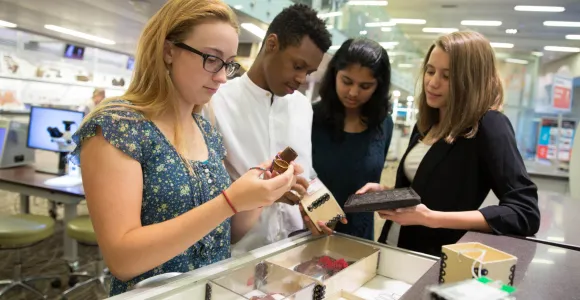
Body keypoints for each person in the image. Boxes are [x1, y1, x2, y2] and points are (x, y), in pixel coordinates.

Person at [70, 0, 299, 296]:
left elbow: (223, 236)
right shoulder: (118, 126)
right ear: (169, 51)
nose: (221, 77)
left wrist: (259, 193)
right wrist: (228, 202)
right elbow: (123, 259)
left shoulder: (205, 130)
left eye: (228, 63)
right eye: (211, 59)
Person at [357, 31, 541, 256]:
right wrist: (387, 193)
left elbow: (524, 212)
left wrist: (431, 218)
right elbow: (425, 191)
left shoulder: (489, 125)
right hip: (393, 245)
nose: (433, 83)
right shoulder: (427, 123)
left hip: (435, 258)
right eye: (430, 71)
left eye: (447, 76)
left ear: (470, 80)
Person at [208, 3, 339, 256]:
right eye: (297, 66)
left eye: (309, 72)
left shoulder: (302, 107)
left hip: (292, 250)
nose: (302, 79)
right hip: (235, 254)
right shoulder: (217, 102)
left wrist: (323, 212)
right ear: (271, 44)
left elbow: (308, 174)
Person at [311, 38, 393, 241]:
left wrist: (384, 193)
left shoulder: (383, 124)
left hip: (360, 237)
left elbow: (377, 183)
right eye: (347, 81)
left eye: (365, 86)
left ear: (378, 86)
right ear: (334, 75)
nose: (353, 93)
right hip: (312, 231)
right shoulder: (310, 118)